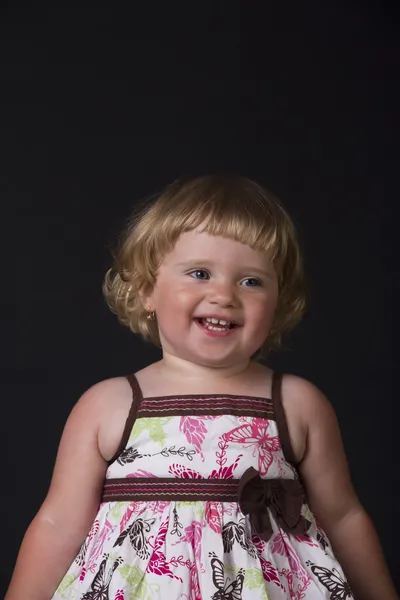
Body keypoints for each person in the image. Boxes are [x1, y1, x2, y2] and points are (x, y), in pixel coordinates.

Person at [6, 175, 398, 600]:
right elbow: (59, 523)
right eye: (199, 273)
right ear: (146, 291)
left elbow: (342, 517)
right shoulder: (110, 404)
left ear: (280, 302)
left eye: (251, 281)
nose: (224, 294)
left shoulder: (295, 403)